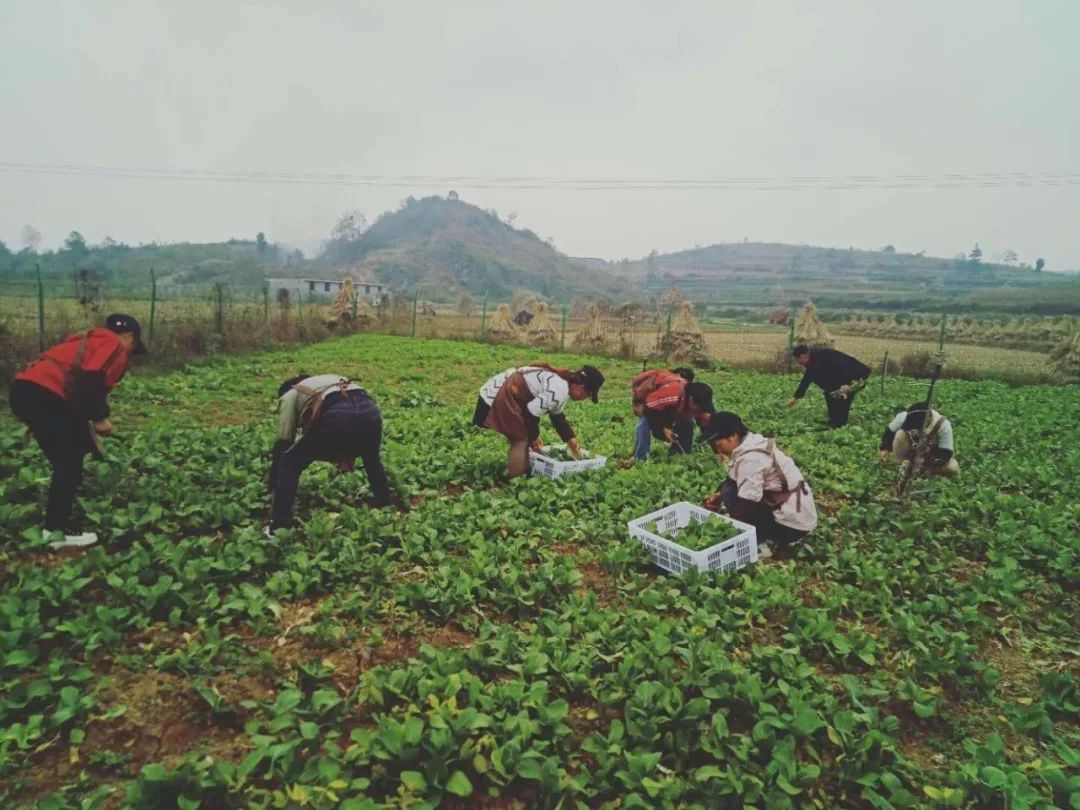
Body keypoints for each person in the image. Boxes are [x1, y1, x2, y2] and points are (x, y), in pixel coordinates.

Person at [9, 313, 147, 548]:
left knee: (71, 455)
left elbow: (76, 401)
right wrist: (101, 418)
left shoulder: (88, 340)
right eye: (133, 348)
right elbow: (91, 379)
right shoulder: (114, 344)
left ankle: (56, 522)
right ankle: (55, 531)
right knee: (68, 462)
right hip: (44, 396)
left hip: (25, 392)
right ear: (129, 337)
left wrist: (91, 438)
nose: (129, 355)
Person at [268, 374, 391, 533]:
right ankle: (386, 504)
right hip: (370, 411)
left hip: (338, 414)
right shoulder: (326, 380)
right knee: (371, 458)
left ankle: (278, 525)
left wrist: (274, 481)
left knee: (290, 462)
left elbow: (284, 441)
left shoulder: (290, 395)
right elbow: (354, 413)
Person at [702, 411, 817, 555]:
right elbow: (734, 479)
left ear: (733, 435)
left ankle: (759, 544)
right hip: (797, 512)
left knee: (731, 494)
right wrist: (718, 496)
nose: (719, 452)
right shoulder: (752, 442)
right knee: (728, 489)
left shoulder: (751, 459)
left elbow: (746, 503)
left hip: (792, 525)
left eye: (719, 446)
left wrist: (727, 530)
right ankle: (769, 534)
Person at [473, 362, 604, 478]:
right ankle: (516, 481)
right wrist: (533, 437)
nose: (584, 398)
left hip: (506, 389)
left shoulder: (563, 385)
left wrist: (571, 440)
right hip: (497, 392)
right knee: (521, 439)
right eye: (588, 395)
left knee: (523, 435)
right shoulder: (559, 388)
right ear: (581, 389)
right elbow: (531, 412)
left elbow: (557, 417)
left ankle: (521, 472)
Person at [630, 367, 713, 460]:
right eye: (698, 407)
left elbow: (705, 419)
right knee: (644, 422)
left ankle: (680, 454)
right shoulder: (673, 392)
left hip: (668, 405)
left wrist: (710, 437)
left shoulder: (697, 400)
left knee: (689, 422)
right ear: (691, 400)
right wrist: (664, 428)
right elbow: (650, 408)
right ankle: (640, 456)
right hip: (650, 403)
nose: (699, 410)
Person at [786, 345, 871, 428]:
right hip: (842, 377)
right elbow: (808, 378)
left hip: (858, 377)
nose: (798, 363)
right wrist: (796, 397)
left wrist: (847, 383)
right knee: (830, 393)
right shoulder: (812, 359)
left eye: (797, 360)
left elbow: (843, 365)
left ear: (802, 356)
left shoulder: (823, 355)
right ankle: (833, 421)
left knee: (841, 396)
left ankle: (840, 424)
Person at [880, 401, 959, 477]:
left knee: (952, 467)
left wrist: (923, 461)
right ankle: (900, 463)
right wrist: (885, 449)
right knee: (900, 434)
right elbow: (890, 431)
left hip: (930, 456)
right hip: (909, 449)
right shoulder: (903, 416)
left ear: (928, 419)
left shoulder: (943, 425)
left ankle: (923, 471)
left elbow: (946, 453)